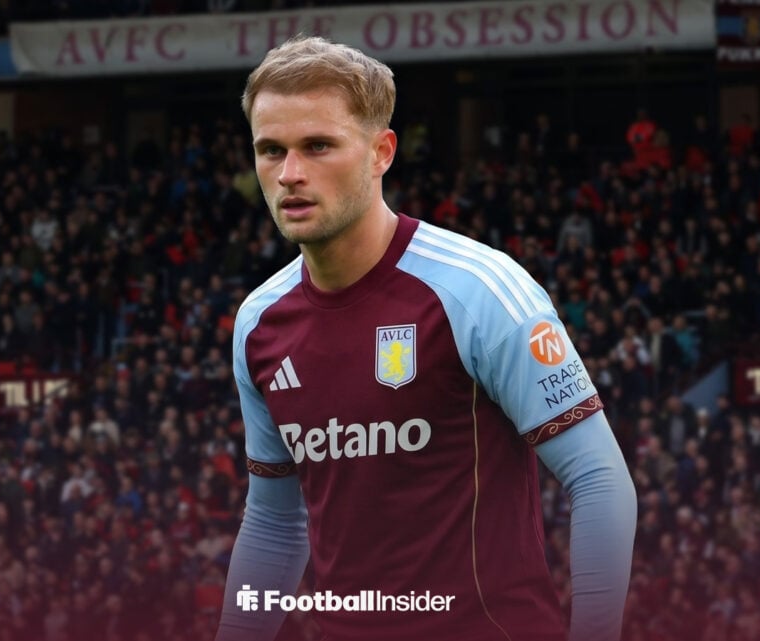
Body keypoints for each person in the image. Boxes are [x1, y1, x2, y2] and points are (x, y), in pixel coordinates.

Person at [217, 36, 636, 641]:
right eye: (270, 150)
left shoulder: (478, 290)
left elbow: (600, 481)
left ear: (380, 152)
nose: (290, 174)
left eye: (317, 146)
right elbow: (274, 525)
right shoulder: (259, 323)